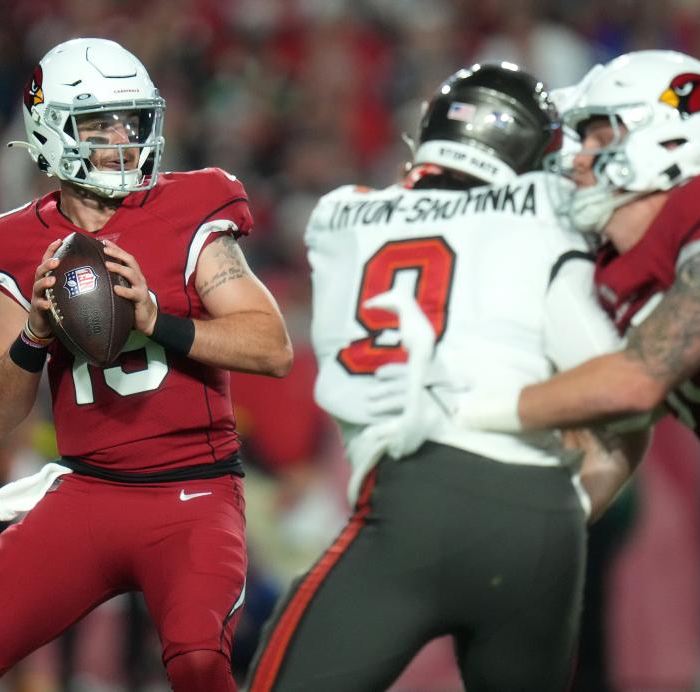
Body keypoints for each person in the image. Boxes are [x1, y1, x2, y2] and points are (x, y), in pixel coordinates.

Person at [246, 63, 648, 692]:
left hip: (409, 500)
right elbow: (620, 387)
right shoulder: (543, 214)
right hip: (538, 519)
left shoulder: (339, 217)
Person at [0, 37, 293, 692]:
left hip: (192, 493)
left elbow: (271, 346)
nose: (123, 137)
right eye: (101, 122)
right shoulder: (14, 241)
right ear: (51, 130)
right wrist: (32, 336)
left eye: (132, 119)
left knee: (201, 665)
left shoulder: (192, 207)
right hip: (87, 492)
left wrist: (156, 321)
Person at [446, 50, 700, 685]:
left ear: (672, 140)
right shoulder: (615, 281)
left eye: (598, 135)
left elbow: (637, 377)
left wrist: (466, 411)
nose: (576, 158)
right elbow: (618, 436)